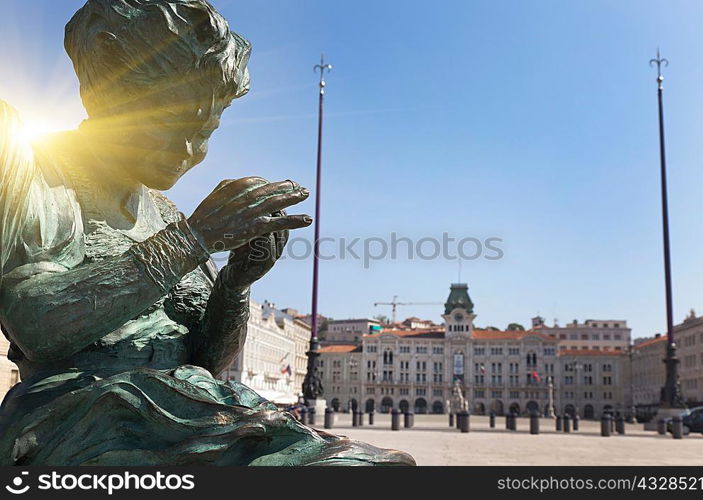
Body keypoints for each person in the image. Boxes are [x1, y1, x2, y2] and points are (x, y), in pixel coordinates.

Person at [0, 0, 414, 466]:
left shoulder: (165, 212)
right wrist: (193, 239)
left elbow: (205, 360)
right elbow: (36, 323)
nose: (189, 150)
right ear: (112, 78)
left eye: (206, 131)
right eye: (175, 124)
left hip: (188, 414)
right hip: (87, 418)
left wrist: (236, 282)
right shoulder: (37, 169)